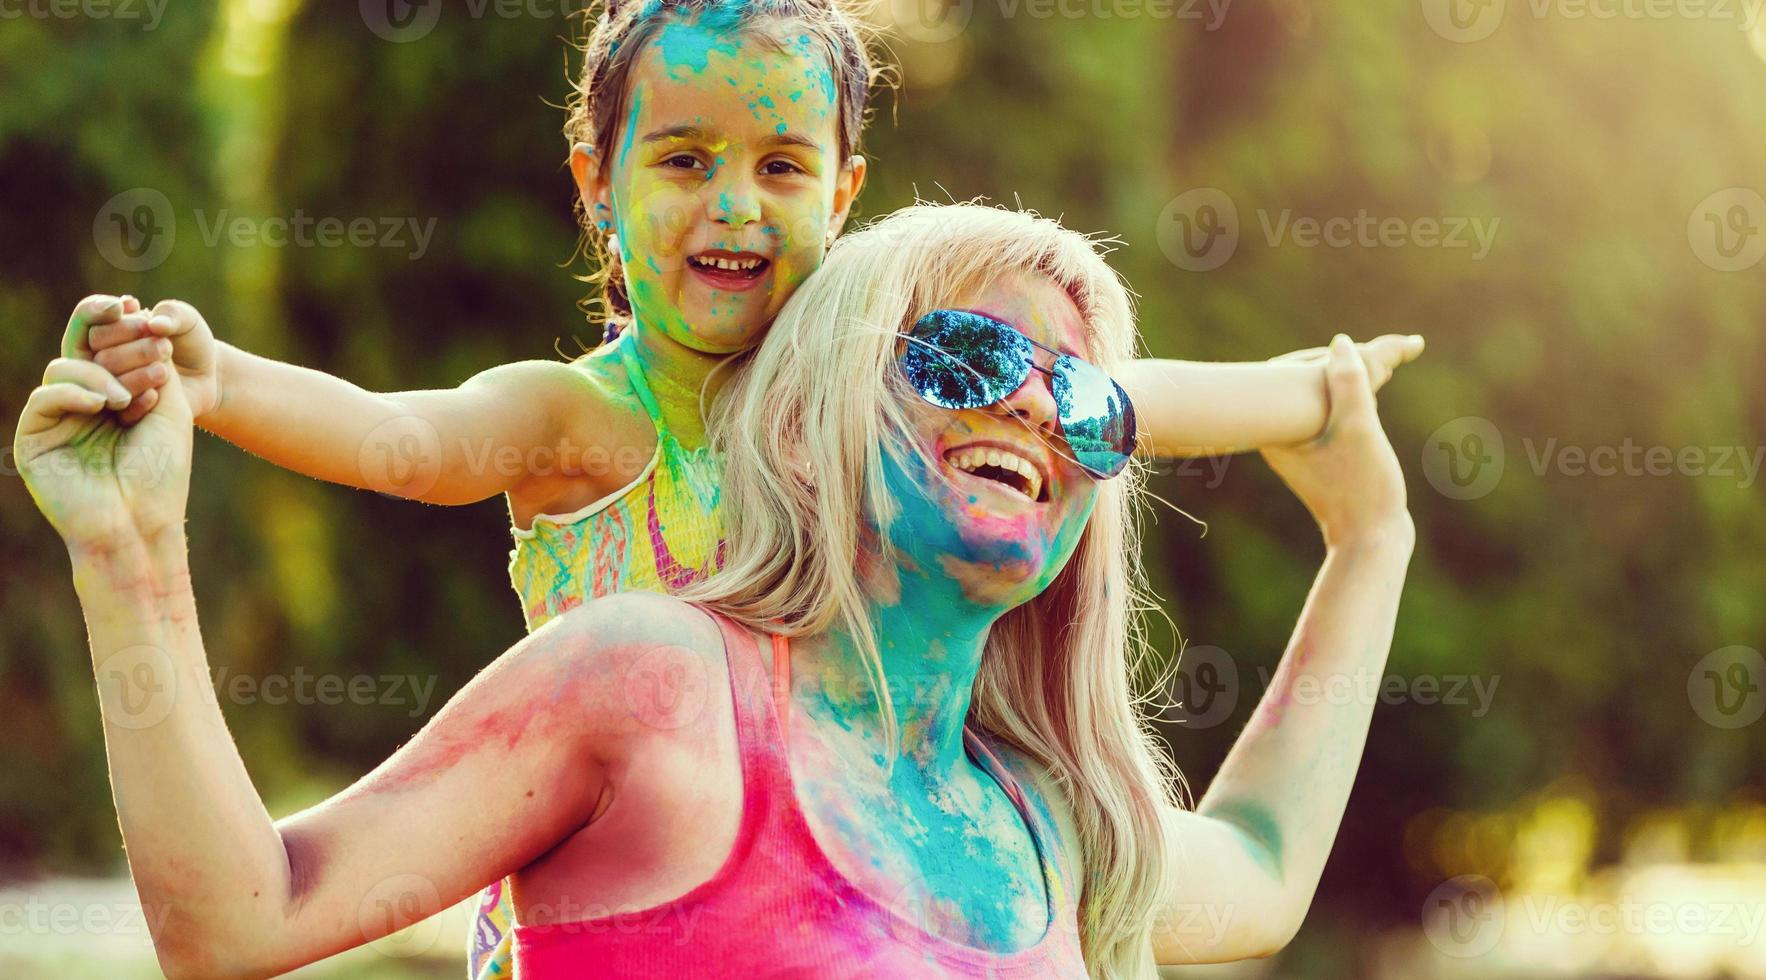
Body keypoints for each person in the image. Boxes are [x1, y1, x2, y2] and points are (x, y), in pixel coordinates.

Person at [19, 203, 1416, 978]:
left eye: (1089, 404)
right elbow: (238, 919)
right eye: (968, 362)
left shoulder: (1044, 815)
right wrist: (131, 558)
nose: (1035, 414)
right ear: (808, 416)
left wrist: (1370, 545)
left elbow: (1267, 868)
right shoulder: (657, 685)